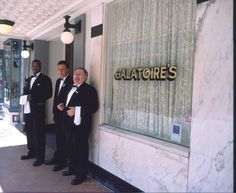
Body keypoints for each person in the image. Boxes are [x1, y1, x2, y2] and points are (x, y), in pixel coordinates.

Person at [62, 67, 98, 185]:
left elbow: (94, 107)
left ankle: (81, 174)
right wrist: (64, 106)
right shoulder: (70, 87)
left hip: (82, 125)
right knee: (71, 146)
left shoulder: (89, 90)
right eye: (74, 74)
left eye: (79, 74)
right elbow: (70, 103)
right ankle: (72, 168)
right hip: (69, 124)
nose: (76, 76)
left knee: (81, 148)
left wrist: (77, 110)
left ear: (85, 76)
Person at [20, 59, 52, 167]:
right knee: (29, 132)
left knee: (39, 133)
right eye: (33, 66)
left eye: (37, 66)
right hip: (28, 110)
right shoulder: (29, 79)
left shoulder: (45, 79)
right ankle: (31, 152)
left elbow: (48, 94)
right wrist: (24, 97)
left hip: (38, 111)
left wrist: (33, 97)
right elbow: (25, 92)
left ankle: (40, 157)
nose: (35, 68)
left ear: (40, 66)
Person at [44, 60, 73, 171]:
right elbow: (56, 98)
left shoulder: (72, 81)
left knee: (65, 139)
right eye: (59, 69)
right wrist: (53, 111)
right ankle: (58, 158)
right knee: (58, 138)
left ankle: (62, 162)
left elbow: (71, 99)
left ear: (68, 69)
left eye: (62, 69)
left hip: (66, 115)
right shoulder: (57, 81)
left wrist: (64, 106)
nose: (60, 71)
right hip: (58, 114)